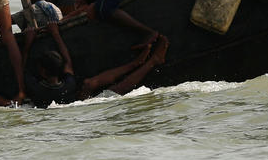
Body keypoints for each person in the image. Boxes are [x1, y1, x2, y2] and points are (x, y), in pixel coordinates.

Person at [25, 28, 168, 108]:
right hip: (78, 105)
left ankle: (136, 63)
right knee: (115, 90)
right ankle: (151, 61)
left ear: (42, 71)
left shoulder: (36, 88)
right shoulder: (68, 84)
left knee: (90, 83)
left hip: (74, 104)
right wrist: (56, 33)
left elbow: (22, 67)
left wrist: (28, 42)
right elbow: (68, 61)